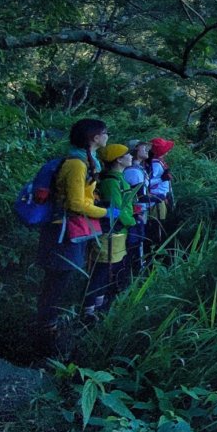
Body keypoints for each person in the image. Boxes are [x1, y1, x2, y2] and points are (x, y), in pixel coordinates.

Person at [35, 119, 117, 350]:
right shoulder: (77, 165)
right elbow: (75, 203)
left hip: (70, 229)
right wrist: (105, 212)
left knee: (60, 280)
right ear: (94, 137)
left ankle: (48, 328)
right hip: (62, 231)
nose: (107, 136)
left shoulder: (87, 162)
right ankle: (45, 333)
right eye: (105, 132)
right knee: (57, 280)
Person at [83, 143, 136, 316]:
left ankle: (99, 304)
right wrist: (132, 221)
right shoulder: (111, 182)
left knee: (109, 269)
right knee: (101, 269)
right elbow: (117, 208)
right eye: (127, 154)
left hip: (119, 232)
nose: (131, 157)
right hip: (111, 233)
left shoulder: (118, 179)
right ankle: (88, 310)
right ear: (118, 160)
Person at [144, 137, 175, 263]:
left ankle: (156, 255)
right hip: (156, 200)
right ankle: (155, 257)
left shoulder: (158, 161)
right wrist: (163, 178)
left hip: (161, 198)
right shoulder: (155, 164)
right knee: (157, 227)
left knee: (159, 226)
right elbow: (147, 182)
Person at [122, 139, 151, 273]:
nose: (147, 149)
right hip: (135, 213)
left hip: (139, 212)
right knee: (135, 243)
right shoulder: (133, 171)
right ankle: (134, 273)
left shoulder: (139, 168)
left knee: (138, 242)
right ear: (135, 150)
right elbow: (137, 196)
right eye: (143, 147)